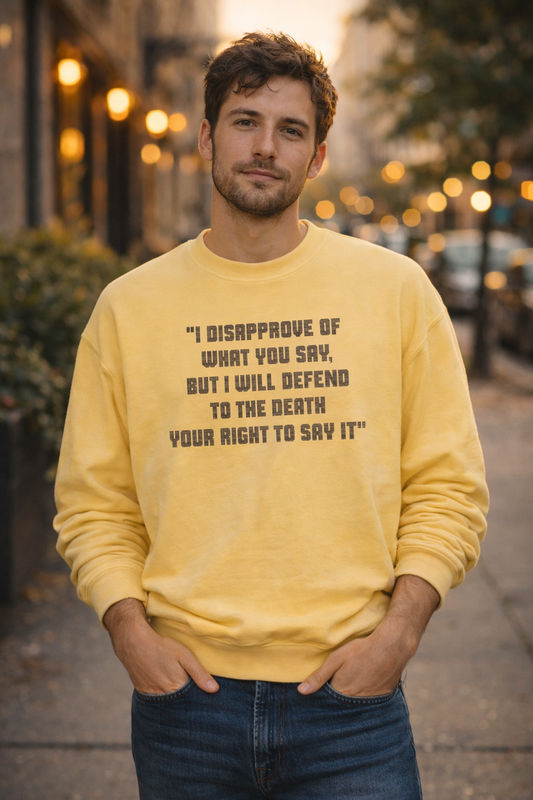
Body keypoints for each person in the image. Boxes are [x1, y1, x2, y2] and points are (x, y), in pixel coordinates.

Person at [54, 31, 489, 799]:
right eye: (245, 121)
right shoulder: (128, 308)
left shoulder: (394, 293)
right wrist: (130, 634)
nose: (264, 147)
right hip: (185, 704)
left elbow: (447, 488)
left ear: (316, 157)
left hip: (352, 708)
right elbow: (95, 504)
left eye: (290, 130)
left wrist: (397, 636)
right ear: (205, 138)